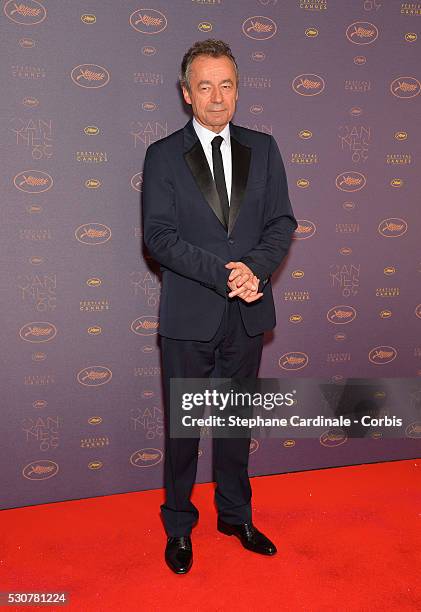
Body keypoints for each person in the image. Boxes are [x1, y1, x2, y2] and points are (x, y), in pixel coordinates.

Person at [142, 39, 297, 574]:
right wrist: (229, 276)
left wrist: (253, 270)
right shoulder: (163, 155)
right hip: (190, 316)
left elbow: (282, 223)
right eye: (203, 86)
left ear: (237, 89)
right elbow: (159, 237)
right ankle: (179, 525)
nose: (216, 97)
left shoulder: (265, 148)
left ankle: (235, 515)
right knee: (184, 433)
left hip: (246, 316)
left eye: (225, 85)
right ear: (186, 94)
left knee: (235, 427)